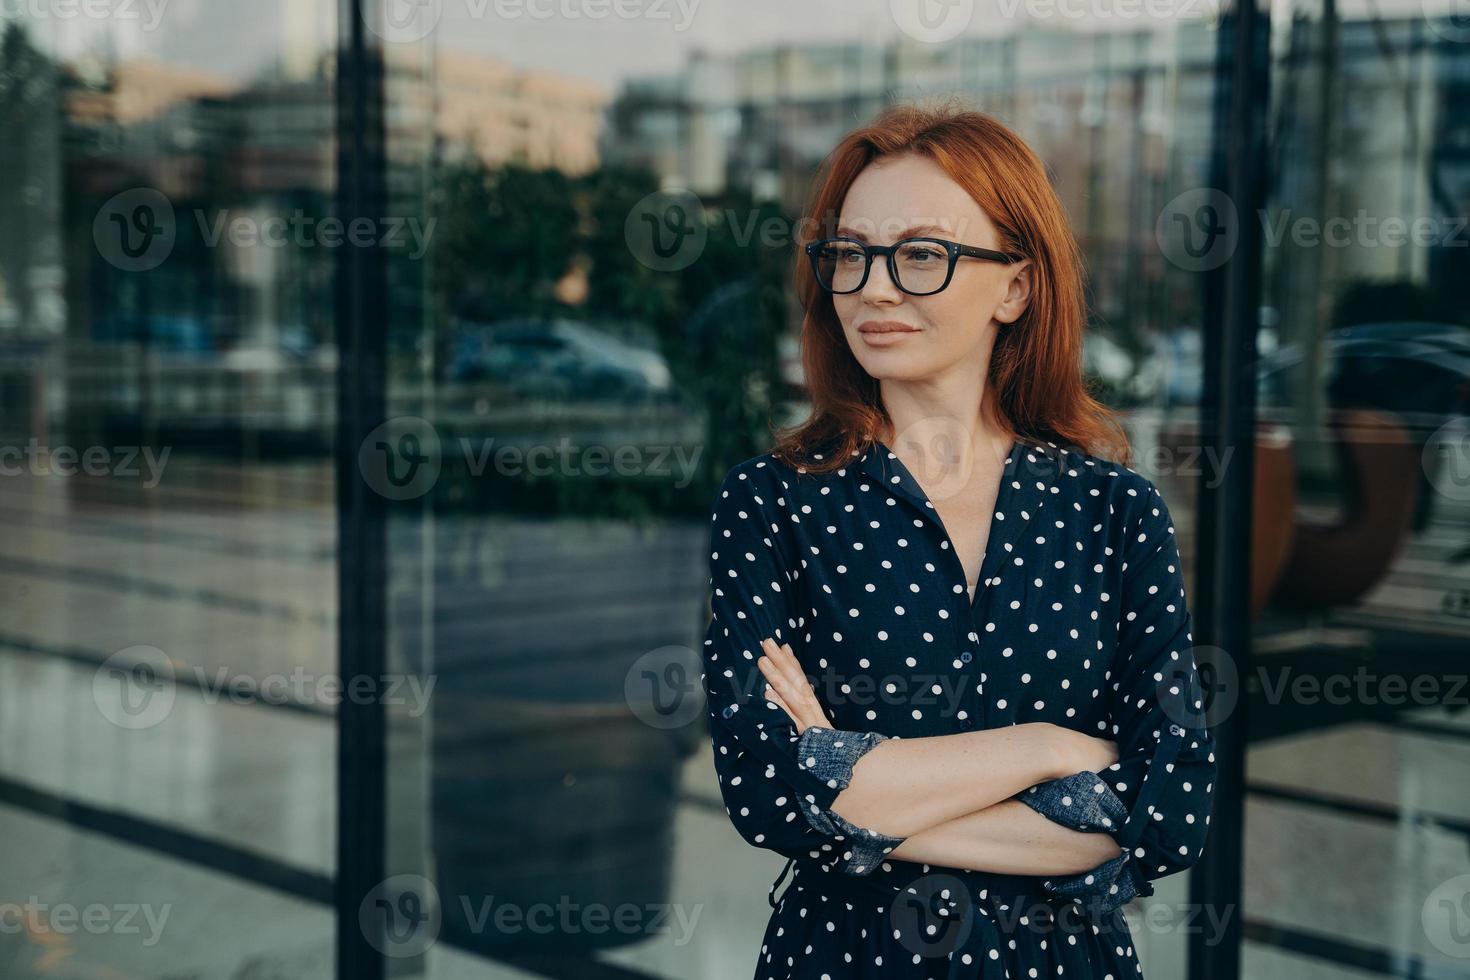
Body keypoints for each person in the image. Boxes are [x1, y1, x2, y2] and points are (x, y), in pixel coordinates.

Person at [701, 101, 1217, 978]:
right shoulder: (773, 504)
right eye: (851, 254)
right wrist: (1050, 751)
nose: (874, 286)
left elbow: (1167, 809)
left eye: (922, 255)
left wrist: (853, 782)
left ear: (1015, 285)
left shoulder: (1114, 512)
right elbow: (770, 794)